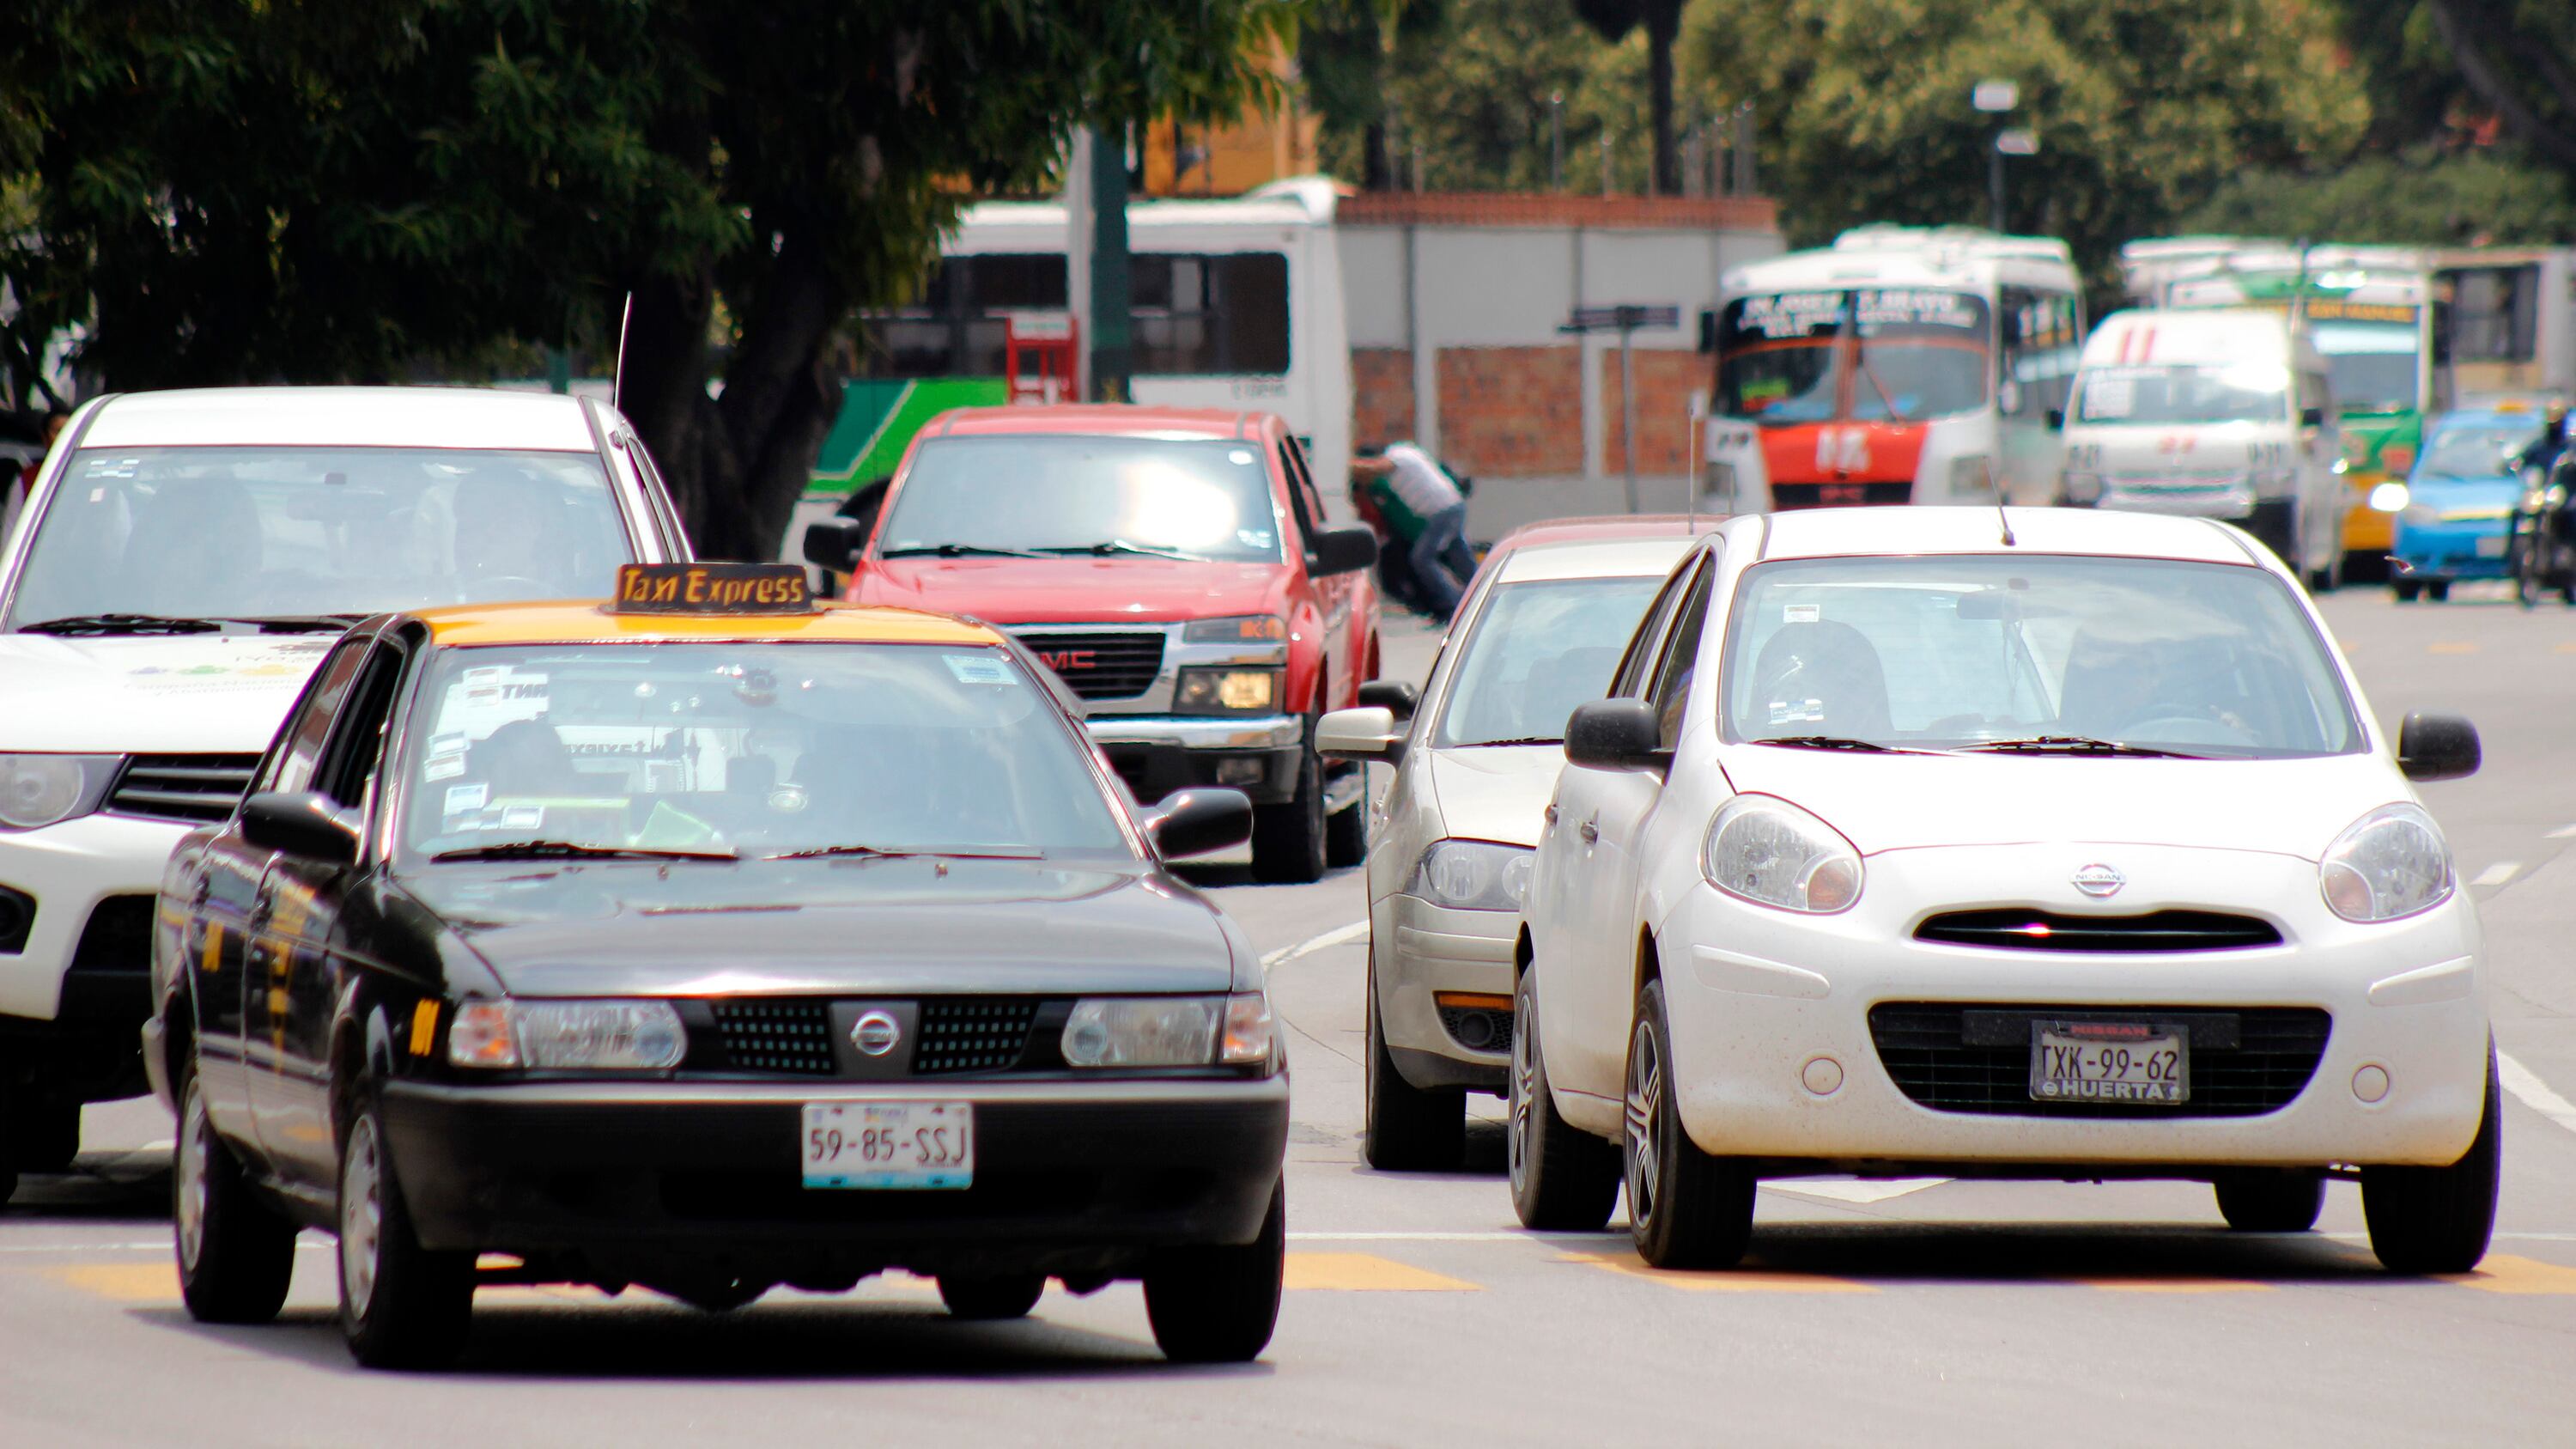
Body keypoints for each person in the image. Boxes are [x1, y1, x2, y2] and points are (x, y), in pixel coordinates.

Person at [1352, 442, 1477, 618]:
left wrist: (1347, 465)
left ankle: (1454, 606)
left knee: (1422, 559)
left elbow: (1377, 467)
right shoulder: (1408, 452)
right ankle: (1481, 596)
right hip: (1450, 507)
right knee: (1462, 561)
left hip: (1442, 512)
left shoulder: (1397, 455)